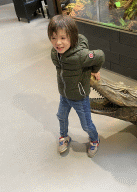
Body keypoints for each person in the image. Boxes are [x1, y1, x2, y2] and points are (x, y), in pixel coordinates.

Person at [48, 15, 105, 158]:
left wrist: (95, 70)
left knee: (86, 124)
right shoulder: (55, 53)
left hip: (79, 97)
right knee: (61, 116)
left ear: (72, 38)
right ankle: (64, 137)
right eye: (53, 38)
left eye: (63, 38)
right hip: (64, 95)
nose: (58, 43)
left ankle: (94, 139)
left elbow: (100, 55)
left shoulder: (81, 56)